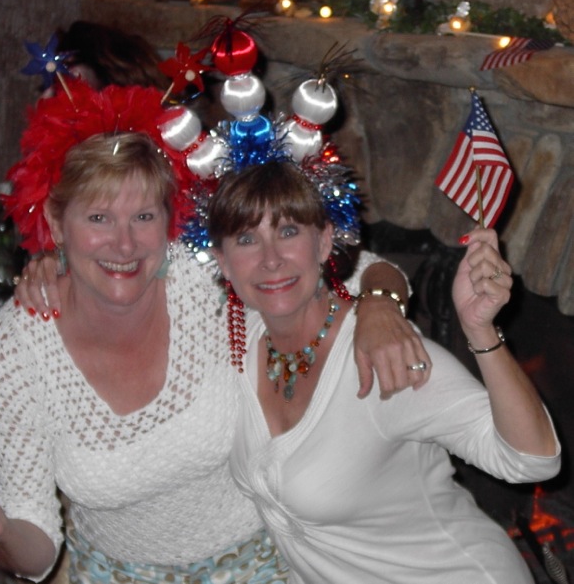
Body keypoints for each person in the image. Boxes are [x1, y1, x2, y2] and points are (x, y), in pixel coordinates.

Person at [0, 77, 431, 583]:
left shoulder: (203, 275)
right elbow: (35, 547)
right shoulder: (11, 349)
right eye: (99, 219)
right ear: (58, 225)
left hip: (266, 562)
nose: (125, 246)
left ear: (168, 219)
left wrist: (380, 309)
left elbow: (365, 268)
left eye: (144, 217)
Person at [205, 160, 560, 584]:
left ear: (323, 243)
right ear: (223, 263)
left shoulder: (382, 353)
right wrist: (380, 292)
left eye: (287, 231)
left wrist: (479, 329)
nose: (270, 259)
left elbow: (532, 462)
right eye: (246, 239)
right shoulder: (238, 336)